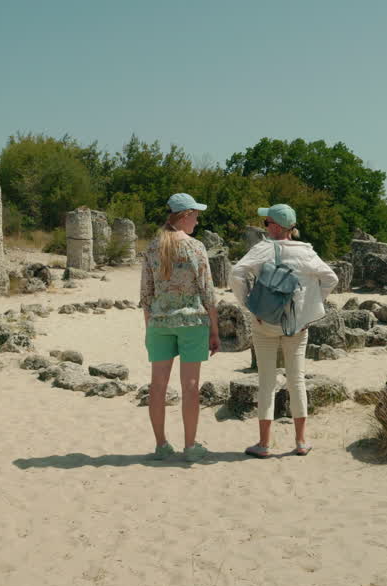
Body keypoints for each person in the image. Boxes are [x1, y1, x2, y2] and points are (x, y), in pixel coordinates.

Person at [230, 204, 338, 458]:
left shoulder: (262, 248)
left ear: (276, 227)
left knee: (266, 382)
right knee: (296, 380)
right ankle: (301, 442)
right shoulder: (306, 252)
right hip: (296, 326)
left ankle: (264, 444)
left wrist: (248, 303)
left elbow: (237, 273)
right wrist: (310, 307)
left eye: (266, 223)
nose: (264, 227)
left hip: (264, 323)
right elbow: (330, 278)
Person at [139, 193, 220, 462]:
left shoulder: (152, 247)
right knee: (191, 386)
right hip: (192, 322)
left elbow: (146, 295)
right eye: (196, 215)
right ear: (185, 216)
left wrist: (148, 327)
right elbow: (208, 292)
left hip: (160, 322)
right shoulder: (196, 248)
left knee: (157, 386)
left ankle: (161, 445)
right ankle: (190, 446)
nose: (197, 221)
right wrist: (215, 330)